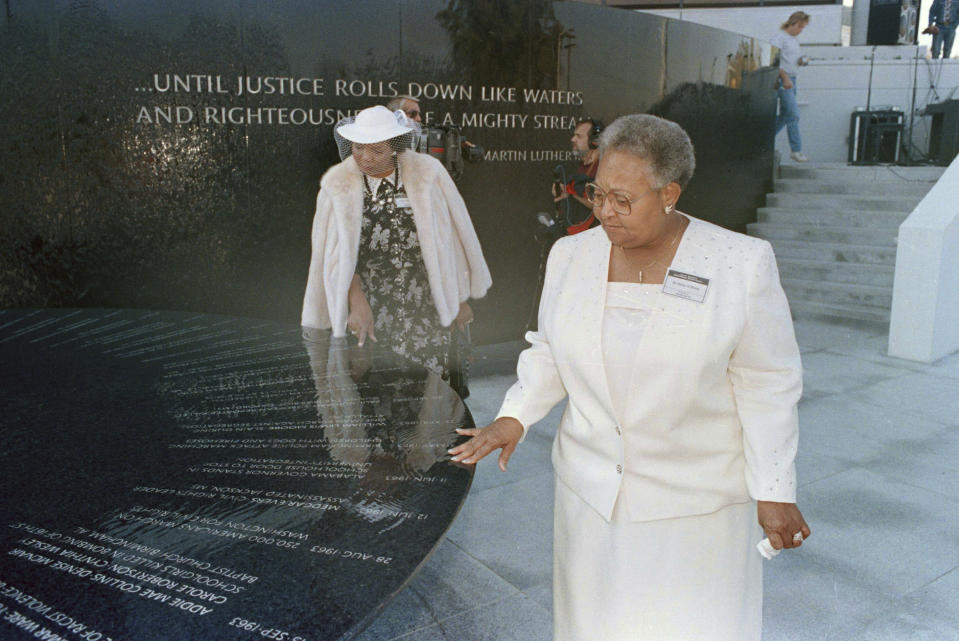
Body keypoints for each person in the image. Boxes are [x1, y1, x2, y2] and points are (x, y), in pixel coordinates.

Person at [449, 113, 810, 641]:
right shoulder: (572, 255)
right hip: (591, 501)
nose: (604, 213)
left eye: (624, 200)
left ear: (669, 193)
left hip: (695, 508)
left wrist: (774, 487)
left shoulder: (740, 262)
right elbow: (548, 348)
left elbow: (767, 382)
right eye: (597, 194)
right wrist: (515, 416)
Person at [301, 105, 491, 389]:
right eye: (358, 148)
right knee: (375, 401)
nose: (365, 158)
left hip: (427, 312)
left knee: (430, 397)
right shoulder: (339, 187)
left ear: (394, 146)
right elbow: (334, 257)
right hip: (370, 314)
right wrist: (355, 299)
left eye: (376, 150)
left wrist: (459, 297)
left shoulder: (427, 175)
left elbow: (448, 240)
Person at [552, 117, 603, 234]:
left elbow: (600, 204)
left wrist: (570, 191)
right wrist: (564, 192)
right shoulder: (579, 166)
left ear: (594, 141)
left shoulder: (604, 168)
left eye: (579, 136)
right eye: (574, 135)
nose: (573, 139)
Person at [771, 11, 811, 163]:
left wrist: (801, 61)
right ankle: (796, 150)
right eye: (800, 26)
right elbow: (775, 62)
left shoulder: (794, 40)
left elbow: (790, 59)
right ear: (792, 23)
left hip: (792, 78)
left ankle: (763, 136)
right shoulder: (779, 38)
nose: (801, 30)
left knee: (786, 115)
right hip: (784, 79)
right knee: (793, 114)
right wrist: (785, 78)